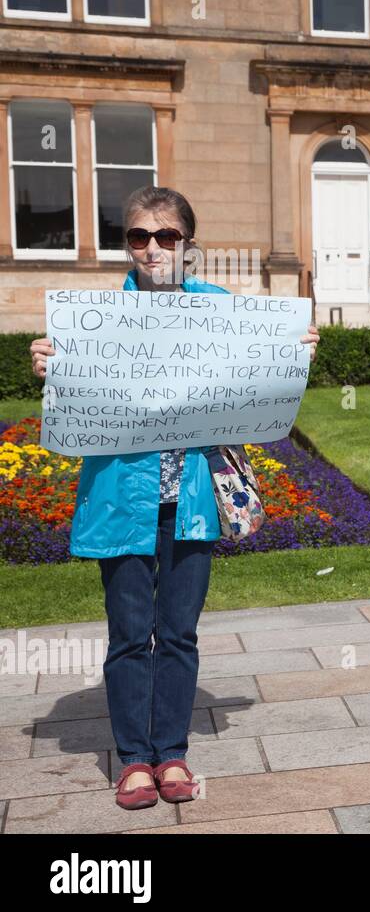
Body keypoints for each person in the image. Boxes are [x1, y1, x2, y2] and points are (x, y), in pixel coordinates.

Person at [28, 186, 320, 810]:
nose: (153, 247)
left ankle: (174, 752)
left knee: (179, 633)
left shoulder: (221, 309)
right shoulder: (91, 320)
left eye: (167, 236)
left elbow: (255, 392)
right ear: (126, 245)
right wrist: (54, 365)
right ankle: (135, 760)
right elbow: (74, 410)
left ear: (190, 246)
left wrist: (293, 354)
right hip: (120, 498)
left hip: (192, 499)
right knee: (130, 633)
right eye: (139, 236)